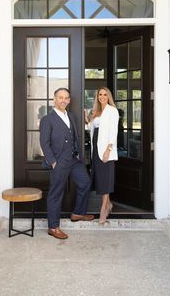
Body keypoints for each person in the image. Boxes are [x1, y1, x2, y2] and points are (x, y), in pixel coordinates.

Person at [40, 88, 94, 239]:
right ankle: (53, 227)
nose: (63, 100)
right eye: (60, 97)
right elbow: (44, 143)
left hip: (73, 159)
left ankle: (78, 213)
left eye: (66, 98)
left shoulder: (71, 116)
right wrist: (53, 162)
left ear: (69, 100)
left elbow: (74, 136)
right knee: (56, 193)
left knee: (85, 182)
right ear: (54, 99)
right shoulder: (47, 119)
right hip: (58, 162)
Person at [85, 87, 119, 224]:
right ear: (97, 96)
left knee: (106, 178)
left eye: (105, 94)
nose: (102, 97)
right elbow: (92, 129)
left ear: (108, 96)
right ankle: (109, 204)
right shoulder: (96, 111)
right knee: (100, 177)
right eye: (100, 94)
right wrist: (87, 120)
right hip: (96, 148)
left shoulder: (112, 110)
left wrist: (108, 149)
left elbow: (113, 131)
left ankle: (103, 208)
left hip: (106, 149)